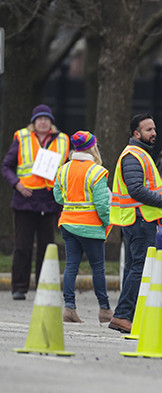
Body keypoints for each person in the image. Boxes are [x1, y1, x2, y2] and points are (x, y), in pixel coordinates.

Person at [108, 114, 162, 333]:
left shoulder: (140, 155)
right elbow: (136, 190)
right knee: (139, 268)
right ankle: (123, 315)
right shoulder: (133, 155)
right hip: (139, 219)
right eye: (148, 130)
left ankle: (126, 315)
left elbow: (143, 187)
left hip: (138, 218)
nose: (154, 133)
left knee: (134, 268)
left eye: (154, 129)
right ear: (136, 134)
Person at [2, 104, 70, 301]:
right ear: (33, 122)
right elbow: (6, 166)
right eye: (39, 118)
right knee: (22, 246)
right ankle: (19, 288)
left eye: (46, 119)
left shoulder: (63, 140)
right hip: (25, 199)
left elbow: (67, 168)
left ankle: (44, 286)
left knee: (47, 246)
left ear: (51, 122)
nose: (42, 122)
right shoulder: (22, 138)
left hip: (49, 201)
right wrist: (17, 185)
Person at [54, 131, 112, 324]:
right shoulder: (97, 171)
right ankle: (104, 310)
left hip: (68, 224)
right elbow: (103, 204)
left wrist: (72, 203)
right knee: (98, 268)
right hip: (90, 226)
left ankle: (69, 308)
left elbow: (58, 196)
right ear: (92, 147)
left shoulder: (64, 169)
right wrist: (105, 222)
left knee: (71, 267)